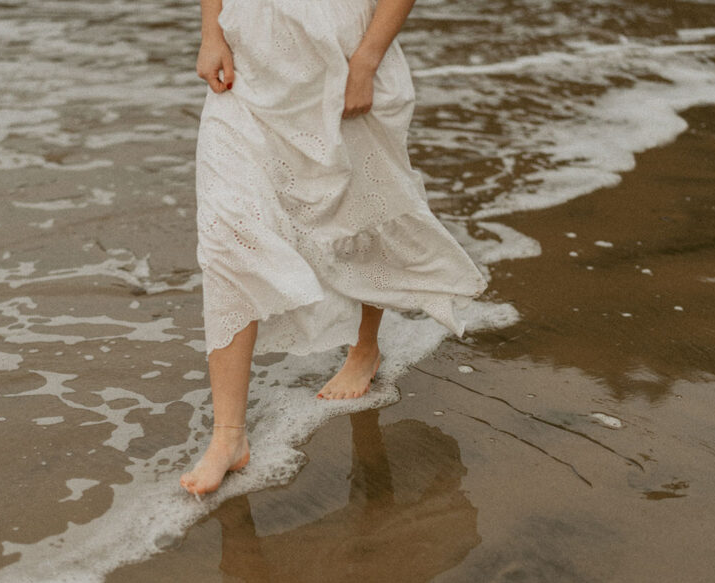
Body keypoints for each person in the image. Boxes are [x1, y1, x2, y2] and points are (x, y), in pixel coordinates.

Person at [180, 0, 487, 496]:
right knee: (228, 237)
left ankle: (364, 348)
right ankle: (228, 437)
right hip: (249, 60)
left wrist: (366, 60)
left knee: (360, 213)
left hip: (341, 55)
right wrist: (211, 31)